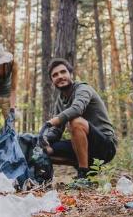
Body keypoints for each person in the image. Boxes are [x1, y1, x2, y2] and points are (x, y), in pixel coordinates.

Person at [38, 58, 117, 187]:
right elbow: (57, 131)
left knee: (75, 121)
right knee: (45, 150)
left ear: (70, 74)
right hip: (83, 147)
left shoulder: (83, 88)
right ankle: (44, 179)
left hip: (105, 146)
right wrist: (44, 139)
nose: (60, 76)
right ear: (52, 81)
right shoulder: (60, 100)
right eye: (55, 75)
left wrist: (49, 123)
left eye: (63, 72)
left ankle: (83, 177)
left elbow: (77, 109)